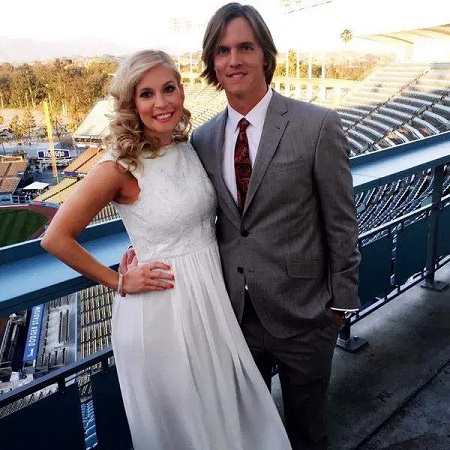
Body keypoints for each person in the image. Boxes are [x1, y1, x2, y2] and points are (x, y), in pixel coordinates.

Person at [123, 4, 360, 449]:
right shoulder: (203, 139)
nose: (234, 60)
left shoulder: (317, 125)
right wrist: (138, 249)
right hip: (230, 319)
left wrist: (339, 307)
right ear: (212, 63)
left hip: (306, 318)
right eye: (223, 50)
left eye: (245, 47)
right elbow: (187, 210)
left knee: (309, 434)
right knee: (244, 435)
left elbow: (342, 224)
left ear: (265, 53)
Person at [41, 50, 291, 450]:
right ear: (131, 103)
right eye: (146, 94)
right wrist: (119, 280)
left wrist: (142, 239)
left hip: (210, 299)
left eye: (169, 89)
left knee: (224, 413)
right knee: (189, 425)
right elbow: (55, 238)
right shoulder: (117, 167)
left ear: (181, 91)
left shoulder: (186, 147)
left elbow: (177, 215)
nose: (161, 102)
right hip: (165, 310)